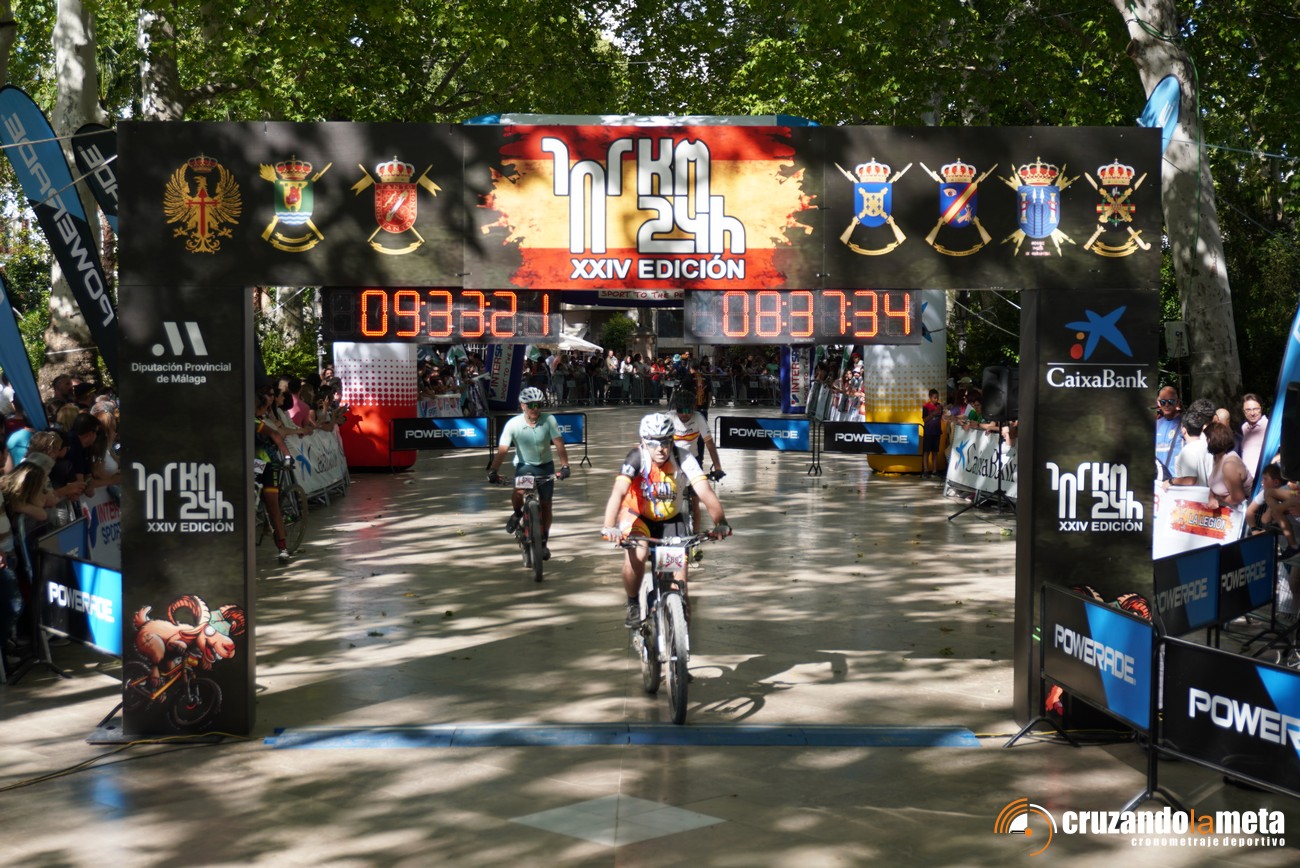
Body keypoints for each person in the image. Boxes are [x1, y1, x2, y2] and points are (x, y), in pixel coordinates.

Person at [601, 413, 731, 628]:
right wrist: (609, 526)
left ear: (672, 440)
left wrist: (721, 522)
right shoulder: (636, 457)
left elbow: (705, 492)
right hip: (637, 517)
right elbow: (618, 492)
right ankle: (633, 603)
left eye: (665, 442)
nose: (660, 449)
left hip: (671, 520)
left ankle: (678, 632)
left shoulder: (683, 457)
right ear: (644, 442)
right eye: (653, 443)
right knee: (639, 553)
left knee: (680, 584)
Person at [486, 386, 572, 561]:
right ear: (523, 405)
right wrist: (493, 471)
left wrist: (565, 466)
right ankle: (517, 513)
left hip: (546, 466)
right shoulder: (513, 424)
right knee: (518, 492)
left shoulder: (549, 420)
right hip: (525, 466)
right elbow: (502, 450)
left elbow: (559, 443)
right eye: (532, 405)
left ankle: (544, 541)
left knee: (546, 504)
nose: (536, 408)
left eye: (539, 404)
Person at [669, 391, 725, 536]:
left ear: (693, 409)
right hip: (672, 460)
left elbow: (710, 444)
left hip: (693, 459)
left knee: (695, 500)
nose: (684, 415)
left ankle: (695, 535)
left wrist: (717, 467)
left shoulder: (699, 418)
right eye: (680, 411)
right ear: (675, 409)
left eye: (688, 411)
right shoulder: (668, 418)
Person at [254, 381, 294, 563]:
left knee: (272, 505)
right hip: (252, 463)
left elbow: (275, 435)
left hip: (267, 464)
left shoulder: (256, 422)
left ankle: (283, 547)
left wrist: (287, 456)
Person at [1169, 398, 1216, 487]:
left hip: (1193, 494)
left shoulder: (1189, 449)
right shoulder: (1211, 442)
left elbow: (1190, 480)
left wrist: (1171, 481)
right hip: (1209, 492)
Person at [1204, 421, 1250, 510]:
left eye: (1206, 438)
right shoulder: (1217, 457)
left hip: (1241, 511)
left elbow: (1238, 498)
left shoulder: (1229, 465)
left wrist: (1219, 498)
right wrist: (1212, 497)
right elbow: (1214, 484)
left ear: (1212, 440)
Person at [1154, 386, 1182, 482]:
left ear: (1177, 402)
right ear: (1159, 403)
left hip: (1176, 481)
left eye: (1170, 401)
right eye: (1163, 402)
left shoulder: (1184, 424)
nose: (1166, 405)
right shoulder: (1156, 424)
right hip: (1159, 479)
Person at [1240, 393, 1269, 478]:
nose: (1252, 413)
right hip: (1247, 479)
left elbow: (1285, 452)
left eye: (1256, 409)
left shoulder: (1269, 426)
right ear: (1243, 411)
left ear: (1261, 408)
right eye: (1248, 410)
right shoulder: (1244, 427)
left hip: (1263, 479)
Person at [922, 389, 944, 478]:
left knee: (935, 452)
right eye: (934, 398)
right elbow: (924, 420)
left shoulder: (940, 406)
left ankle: (935, 471)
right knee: (926, 451)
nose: (936, 399)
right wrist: (933, 414)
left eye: (937, 397)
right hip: (928, 432)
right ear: (930, 397)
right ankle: (925, 470)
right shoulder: (926, 406)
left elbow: (943, 416)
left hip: (936, 432)